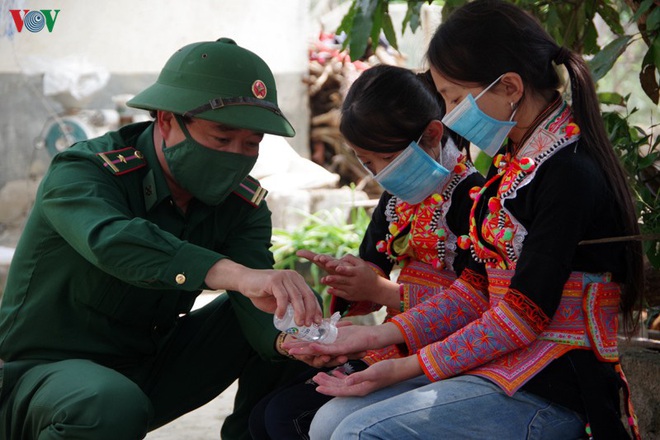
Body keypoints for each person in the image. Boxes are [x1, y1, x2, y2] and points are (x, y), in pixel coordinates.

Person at [285, 2, 645, 439]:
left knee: (358, 433)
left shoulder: (569, 170)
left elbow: (522, 315)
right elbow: (476, 289)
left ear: (510, 86)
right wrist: (369, 339)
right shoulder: (513, 161)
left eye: (455, 98)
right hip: (502, 363)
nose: (451, 114)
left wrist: (405, 365)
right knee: (328, 422)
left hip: (555, 380)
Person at [0, 37, 322, 440]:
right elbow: (114, 241)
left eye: (252, 143)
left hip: (148, 370)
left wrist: (294, 340)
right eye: (222, 139)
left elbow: (256, 296)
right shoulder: (83, 173)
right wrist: (233, 274)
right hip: (42, 381)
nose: (237, 155)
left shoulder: (242, 205)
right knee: (108, 403)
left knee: (294, 315)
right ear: (167, 120)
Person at [249, 64, 484, 439]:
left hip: (448, 354)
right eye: (366, 162)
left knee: (287, 417)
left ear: (432, 134)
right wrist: (345, 280)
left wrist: (381, 293)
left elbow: (482, 303)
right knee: (262, 414)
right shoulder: (396, 200)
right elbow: (371, 265)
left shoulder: (475, 199)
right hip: (393, 343)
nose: (378, 175)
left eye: (382, 161)